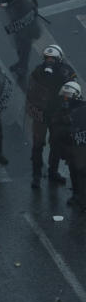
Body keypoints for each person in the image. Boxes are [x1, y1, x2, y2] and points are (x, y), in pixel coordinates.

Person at [27, 45, 76, 188]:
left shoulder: (66, 71)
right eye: (47, 58)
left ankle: (52, 172)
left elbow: (74, 88)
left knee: (56, 144)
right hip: (41, 113)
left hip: (57, 114)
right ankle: (36, 176)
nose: (49, 61)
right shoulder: (38, 71)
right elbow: (31, 88)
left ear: (59, 59)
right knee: (37, 144)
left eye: (52, 59)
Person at [0, 0, 41, 82]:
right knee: (19, 45)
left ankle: (23, 67)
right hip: (17, 22)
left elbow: (28, 11)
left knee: (25, 46)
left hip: (27, 24)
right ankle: (21, 62)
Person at [51, 82, 86, 210]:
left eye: (68, 95)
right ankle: (76, 194)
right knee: (73, 171)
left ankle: (83, 199)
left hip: (81, 146)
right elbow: (55, 126)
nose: (65, 98)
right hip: (69, 146)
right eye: (64, 95)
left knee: (82, 172)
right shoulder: (61, 110)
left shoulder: (82, 108)